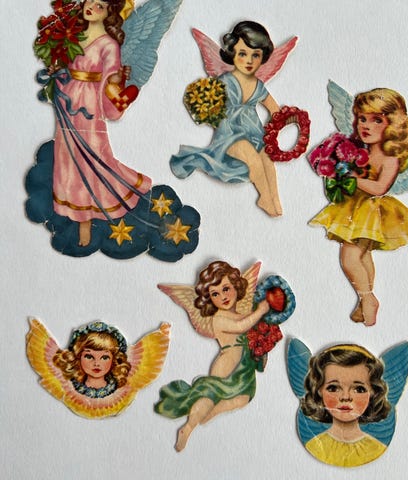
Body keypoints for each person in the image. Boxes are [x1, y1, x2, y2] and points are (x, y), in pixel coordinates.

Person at [309, 88, 408, 325]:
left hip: (371, 211)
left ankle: (368, 298)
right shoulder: (361, 149)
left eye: (376, 120)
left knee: (349, 257)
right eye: (362, 118)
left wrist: (352, 178)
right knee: (363, 256)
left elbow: (380, 187)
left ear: (393, 126)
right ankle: (364, 302)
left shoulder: (390, 158)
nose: (366, 126)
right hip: (352, 207)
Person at [52, 0, 152, 246]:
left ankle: (88, 218)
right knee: (67, 155)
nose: (91, 7)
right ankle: (74, 213)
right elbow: (63, 62)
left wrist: (117, 79)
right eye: (90, 1)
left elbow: (110, 76)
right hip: (67, 98)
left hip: (89, 103)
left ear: (109, 12)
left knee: (93, 154)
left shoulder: (109, 44)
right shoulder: (73, 35)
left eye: (100, 6)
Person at [170, 21, 283, 216]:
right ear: (232, 53)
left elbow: (275, 110)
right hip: (230, 135)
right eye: (242, 54)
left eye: (255, 55)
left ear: (263, 57)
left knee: (267, 161)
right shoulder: (225, 81)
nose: (249, 61)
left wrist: (289, 120)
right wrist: (206, 111)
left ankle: (274, 199)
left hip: (255, 134)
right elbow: (207, 102)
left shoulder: (258, 85)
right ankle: (265, 197)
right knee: (253, 160)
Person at [155, 261, 271, 451]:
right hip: (227, 364)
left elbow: (252, 329)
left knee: (244, 398)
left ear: (237, 286)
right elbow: (241, 327)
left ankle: (211, 413)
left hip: (245, 367)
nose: (223, 297)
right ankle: (188, 427)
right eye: (215, 294)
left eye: (226, 289)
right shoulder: (218, 319)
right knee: (210, 394)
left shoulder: (240, 312)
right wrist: (260, 311)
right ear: (208, 299)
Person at [301, 344, 391, 468]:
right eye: (333, 388)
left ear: (373, 393)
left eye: (359, 389)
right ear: (319, 390)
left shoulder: (377, 448)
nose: (345, 397)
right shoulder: (313, 446)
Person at [53, 322, 131, 398]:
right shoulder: (70, 388)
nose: (96, 363)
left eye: (104, 358)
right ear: (78, 357)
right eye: (89, 356)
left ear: (114, 360)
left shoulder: (118, 391)